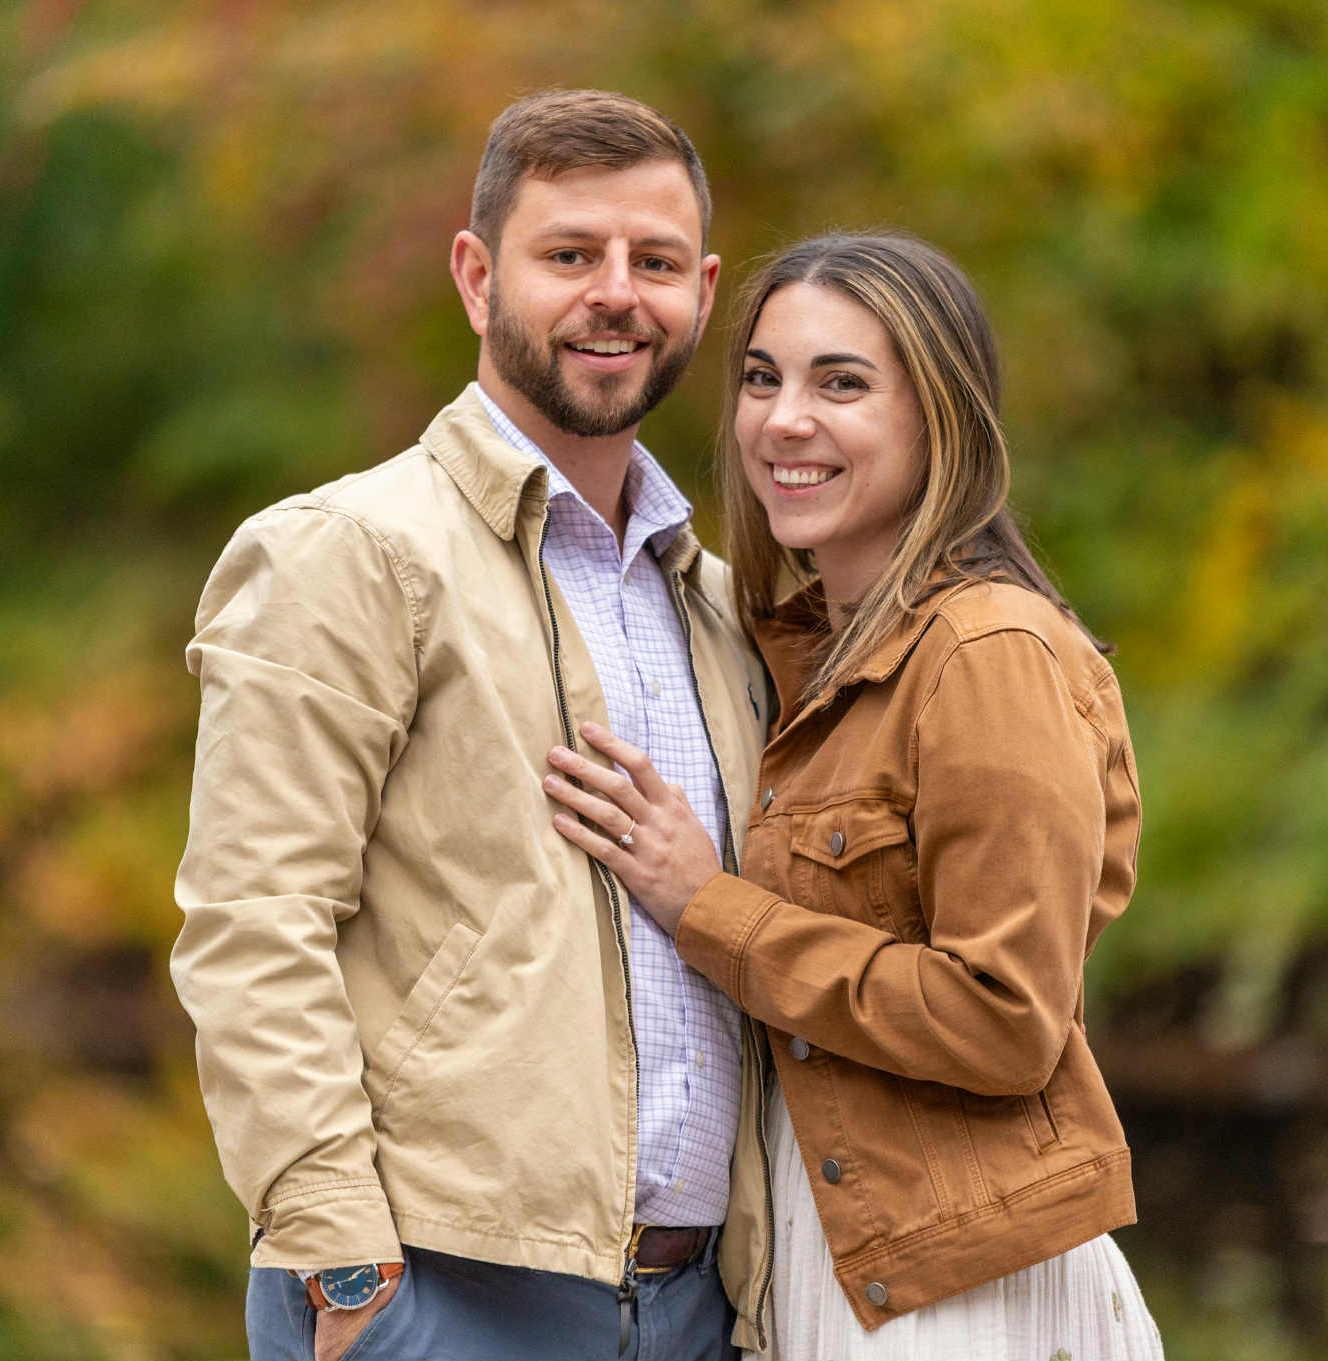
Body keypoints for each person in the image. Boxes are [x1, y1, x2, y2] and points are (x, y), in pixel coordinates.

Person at [170, 89, 776, 1361]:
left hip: (698, 1308)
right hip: (441, 1299)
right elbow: (252, 924)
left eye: (653, 262)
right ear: (474, 273)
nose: (615, 293)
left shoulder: (719, 605)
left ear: (703, 292)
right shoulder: (348, 553)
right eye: (569, 255)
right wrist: (348, 1270)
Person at [544, 232, 1164, 1361]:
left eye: (841, 383)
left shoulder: (986, 653)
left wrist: (707, 906)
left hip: (965, 1289)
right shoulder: (791, 659)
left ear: (940, 417)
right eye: (762, 377)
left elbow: (1004, 1016)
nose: (784, 420)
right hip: (830, 1266)